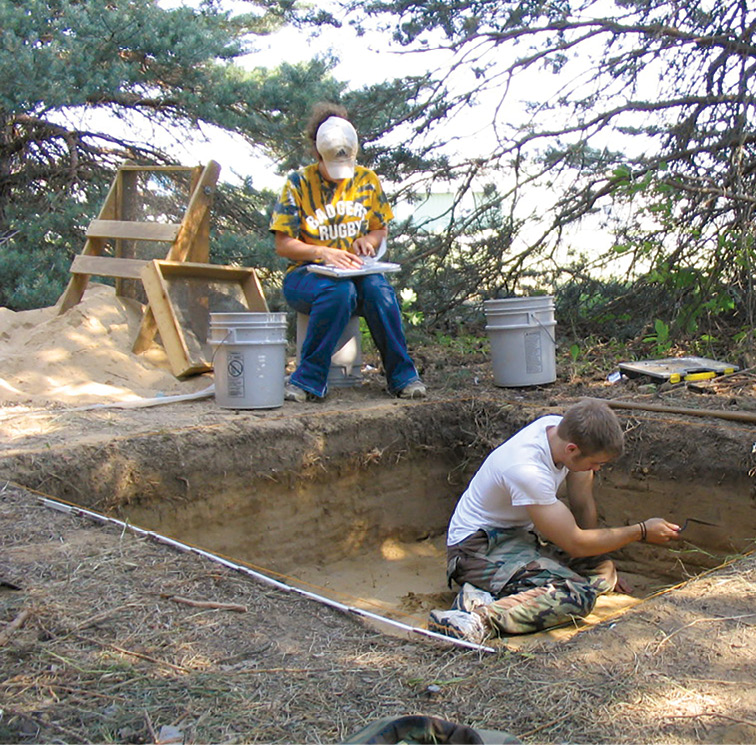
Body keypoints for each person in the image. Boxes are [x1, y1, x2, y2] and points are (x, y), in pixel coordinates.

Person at [428, 398, 682, 645]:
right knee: (577, 596)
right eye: (595, 463)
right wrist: (641, 531)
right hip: (477, 548)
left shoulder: (560, 431)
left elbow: (581, 502)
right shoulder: (527, 470)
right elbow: (576, 543)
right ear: (572, 450)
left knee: (603, 572)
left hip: (518, 540)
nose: (598, 469)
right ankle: (477, 619)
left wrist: (595, 557)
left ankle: (493, 590)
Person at [269, 103, 425, 402]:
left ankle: (403, 377)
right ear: (317, 154)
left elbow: (380, 230)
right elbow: (283, 244)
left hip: (358, 271)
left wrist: (369, 241)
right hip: (307, 275)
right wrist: (322, 252)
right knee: (338, 293)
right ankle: (308, 380)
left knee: (380, 291)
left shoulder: (367, 180)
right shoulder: (298, 184)